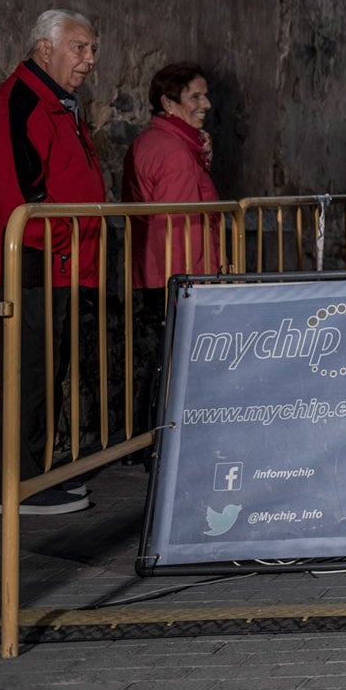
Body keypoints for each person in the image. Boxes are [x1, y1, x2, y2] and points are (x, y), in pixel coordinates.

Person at [0, 9, 106, 516]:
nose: (90, 59)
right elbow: (21, 199)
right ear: (45, 48)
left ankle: (33, 475)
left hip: (59, 264)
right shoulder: (20, 101)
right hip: (30, 265)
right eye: (80, 47)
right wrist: (63, 249)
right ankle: (13, 486)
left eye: (92, 49)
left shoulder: (59, 103)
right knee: (27, 370)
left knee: (45, 371)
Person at [124, 62, 222, 437]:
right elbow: (179, 230)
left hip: (160, 270)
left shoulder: (165, 144)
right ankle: (159, 439)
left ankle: (149, 438)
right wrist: (190, 284)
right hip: (177, 272)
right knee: (175, 359)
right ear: (169, 102)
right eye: (195, 96)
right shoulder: (174, 151)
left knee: (165, 356)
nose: (206, 103)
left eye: (205, 94)